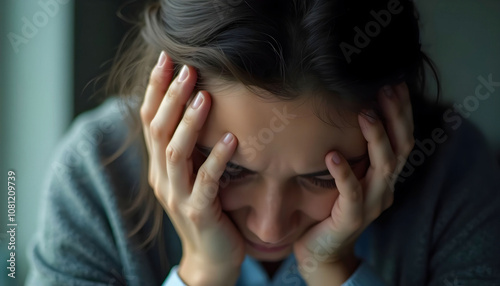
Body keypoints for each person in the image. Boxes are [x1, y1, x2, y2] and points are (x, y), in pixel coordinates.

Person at [26, 0, 500, 285]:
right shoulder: (95, 175)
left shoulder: (455, 178)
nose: (270, 228)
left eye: (322, 178)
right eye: (227, 170)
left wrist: (335, 270)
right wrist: (203, 273)